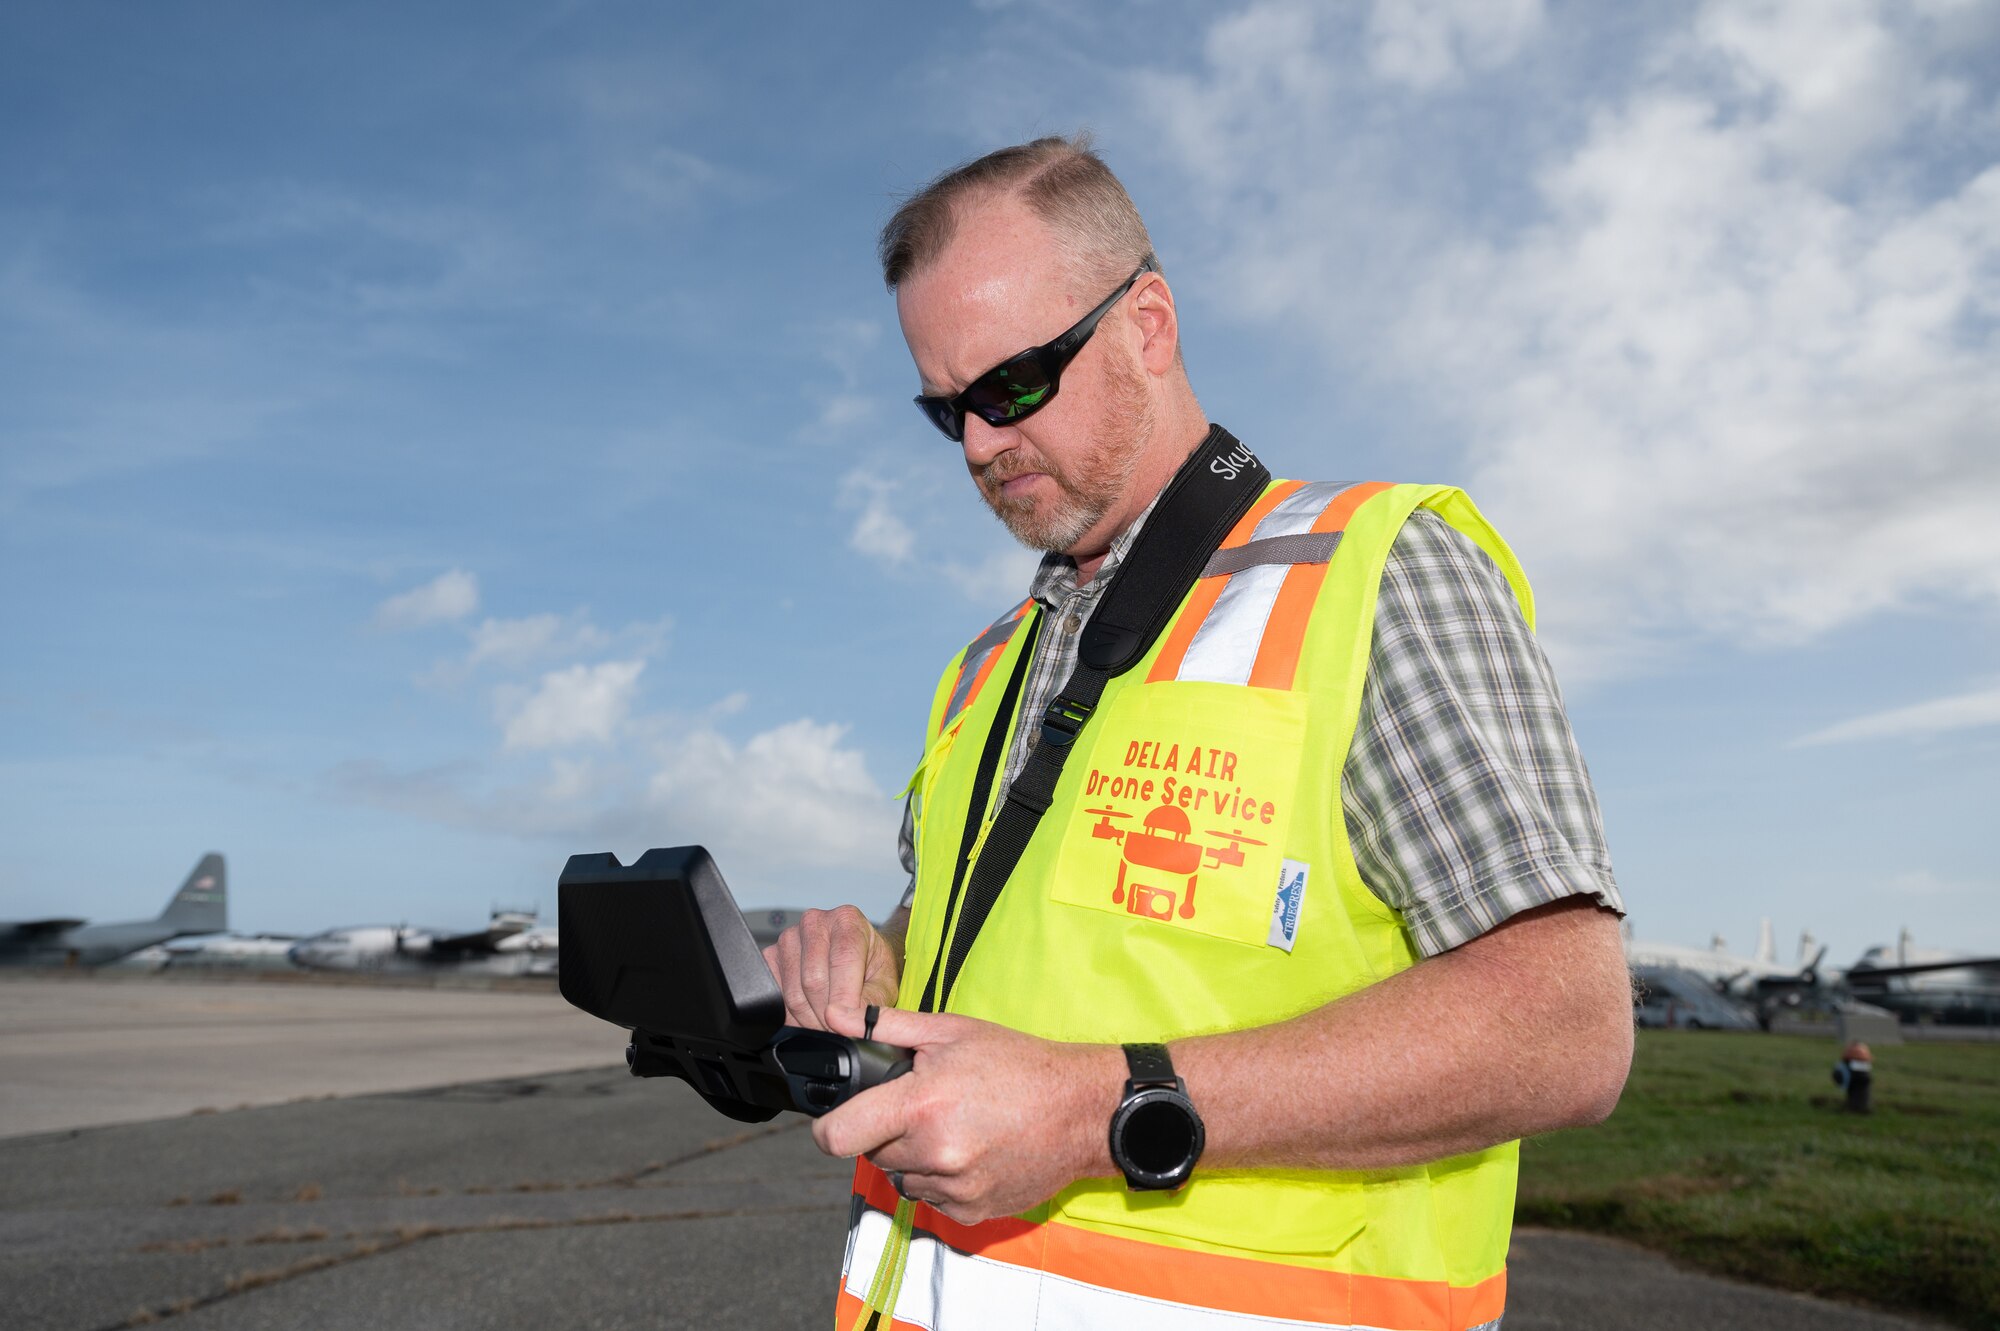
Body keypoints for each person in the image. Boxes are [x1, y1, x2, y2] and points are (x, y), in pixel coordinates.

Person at [765, 135, 1634, 1331]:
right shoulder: (985, 667)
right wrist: (875, 952)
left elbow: (1564, 1025)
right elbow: (1008, 946)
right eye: (945, 409)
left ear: (1149, 324)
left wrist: (1093, 1109)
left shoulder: (1375, 574)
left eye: (1011, 387)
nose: (977, 443)